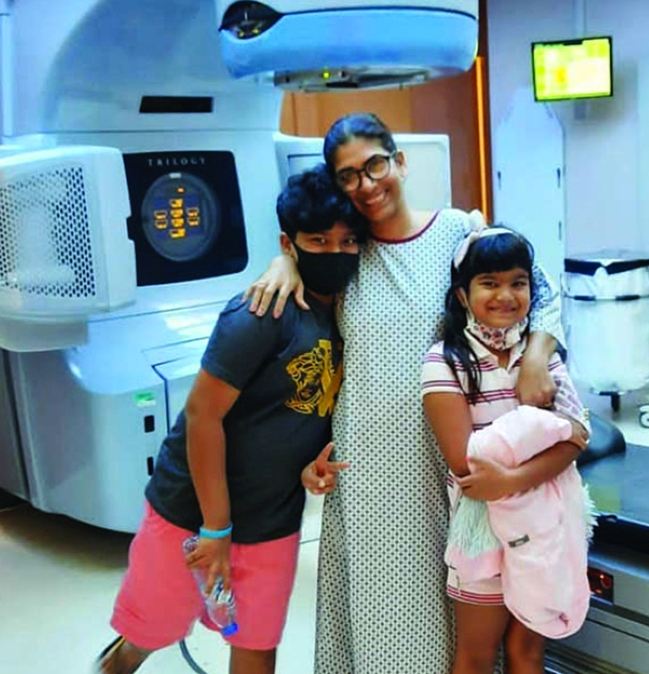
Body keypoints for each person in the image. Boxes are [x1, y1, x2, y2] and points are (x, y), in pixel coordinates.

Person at [243, 113, 566, 673]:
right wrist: (285, 261)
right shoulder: (344, 255)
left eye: (375, 165)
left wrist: (537, 354)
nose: (367, 185)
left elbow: (538, 288)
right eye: (348, 176)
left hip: (450, 461)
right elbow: (313, 352)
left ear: (400, 162)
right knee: (379, 618)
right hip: (367, 474)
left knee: (457, 614)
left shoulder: (458, 233)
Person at [94, 164, 361, 674]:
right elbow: (202, 416)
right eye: (319, 240)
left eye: (348, 241)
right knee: (149, 633)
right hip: (188, 516)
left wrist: (311, 468)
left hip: (272, 523)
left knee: (256, 646)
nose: (336, 252)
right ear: (289, 244)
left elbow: (299, 410)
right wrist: (215, 530)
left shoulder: (350, 316)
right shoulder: (261, 313)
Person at [421, 227, 593, 674]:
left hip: (543, 526)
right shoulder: (445, 361)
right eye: (489, 283)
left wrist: (513, 478)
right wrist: (546, 438)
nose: (505, 295)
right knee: (476, 656)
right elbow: (468, 464)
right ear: (463, 295)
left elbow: (578, 434)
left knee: (528, 651)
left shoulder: (541, 356)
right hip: (483, 532)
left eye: (518, 282)